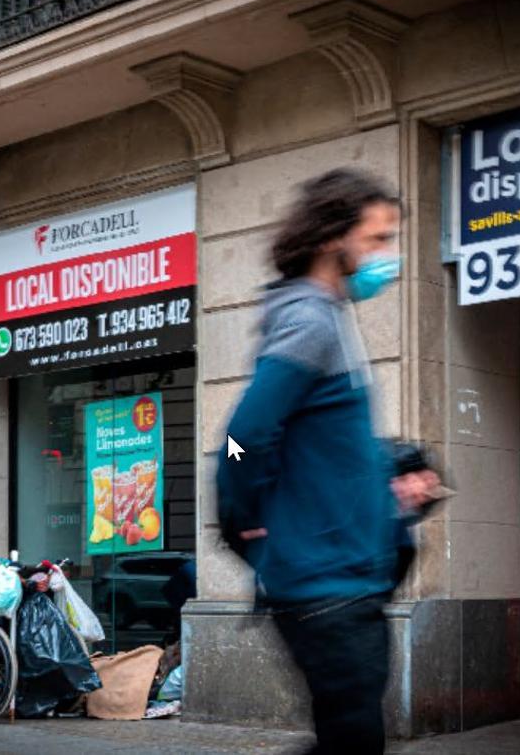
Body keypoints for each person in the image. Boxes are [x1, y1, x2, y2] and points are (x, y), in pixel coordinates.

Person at [215, 168, 442, 754]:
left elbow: (319, 444)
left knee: (349, 736)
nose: (386, 255)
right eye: (377, 239)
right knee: (352, 739)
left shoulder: (329, 318)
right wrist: (242, 521)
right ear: (329, 239)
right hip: (325, 583)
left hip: (344, 574)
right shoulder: (309, 319)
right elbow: (245, 433)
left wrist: (393, 476)